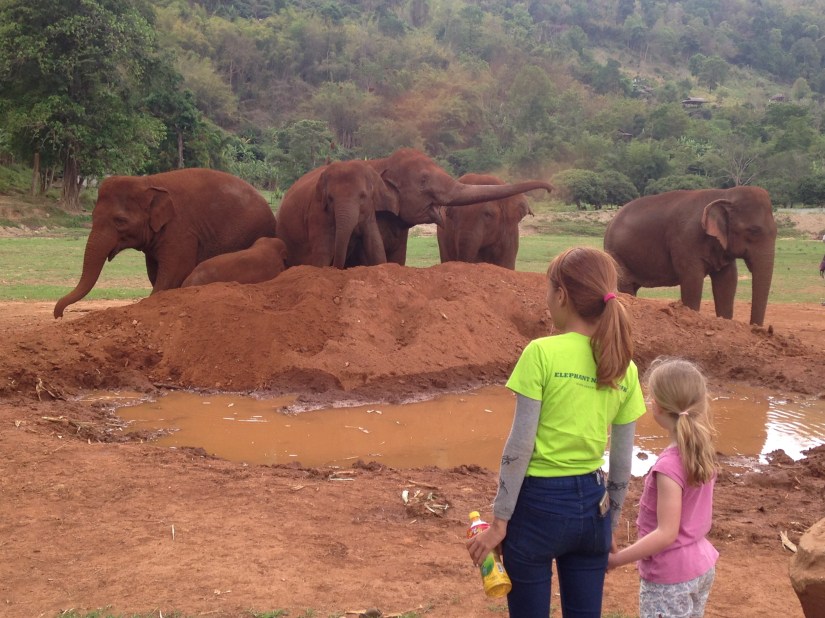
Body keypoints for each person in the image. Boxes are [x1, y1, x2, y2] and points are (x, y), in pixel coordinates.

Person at [466, 246, 646, 617]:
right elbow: (623, 462)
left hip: (537, 508)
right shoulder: (623, 367)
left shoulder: (541, 353)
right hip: (594, 508)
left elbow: (519, 445)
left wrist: (499, 522)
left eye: (549, 289)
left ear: (561, 295)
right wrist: (609, 523)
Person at [607, 357, 718, 618]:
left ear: (655, 406)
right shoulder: (701, 450)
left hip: (671, 578)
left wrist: (617, 559)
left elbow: (666, 533)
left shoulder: (668, 466)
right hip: (701, 564)